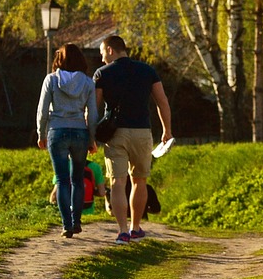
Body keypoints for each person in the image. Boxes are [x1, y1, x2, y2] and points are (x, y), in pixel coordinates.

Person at [93, 34, 173, 244]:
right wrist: (167, 130)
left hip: (115, 133)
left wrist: (90, 135)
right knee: (139, 181)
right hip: (142, 132)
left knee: (117, 182)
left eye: (102, 53)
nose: (102, 59)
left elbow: (93, 109)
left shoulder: (102, 73)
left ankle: (122, 232)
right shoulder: (147, 71)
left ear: (110, 50)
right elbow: (162, 102)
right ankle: (135, 227)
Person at [37, 42, 98, 238]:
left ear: (59, 60)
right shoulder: (88, 83)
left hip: (57, 131)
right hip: (80, 132)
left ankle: (67, 225)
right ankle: (77, 220)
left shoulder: (51, 80)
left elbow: (42, 110)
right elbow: (93, 113)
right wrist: (92, 138)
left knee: (63, 180)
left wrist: (41, 134)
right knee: (78, 179)